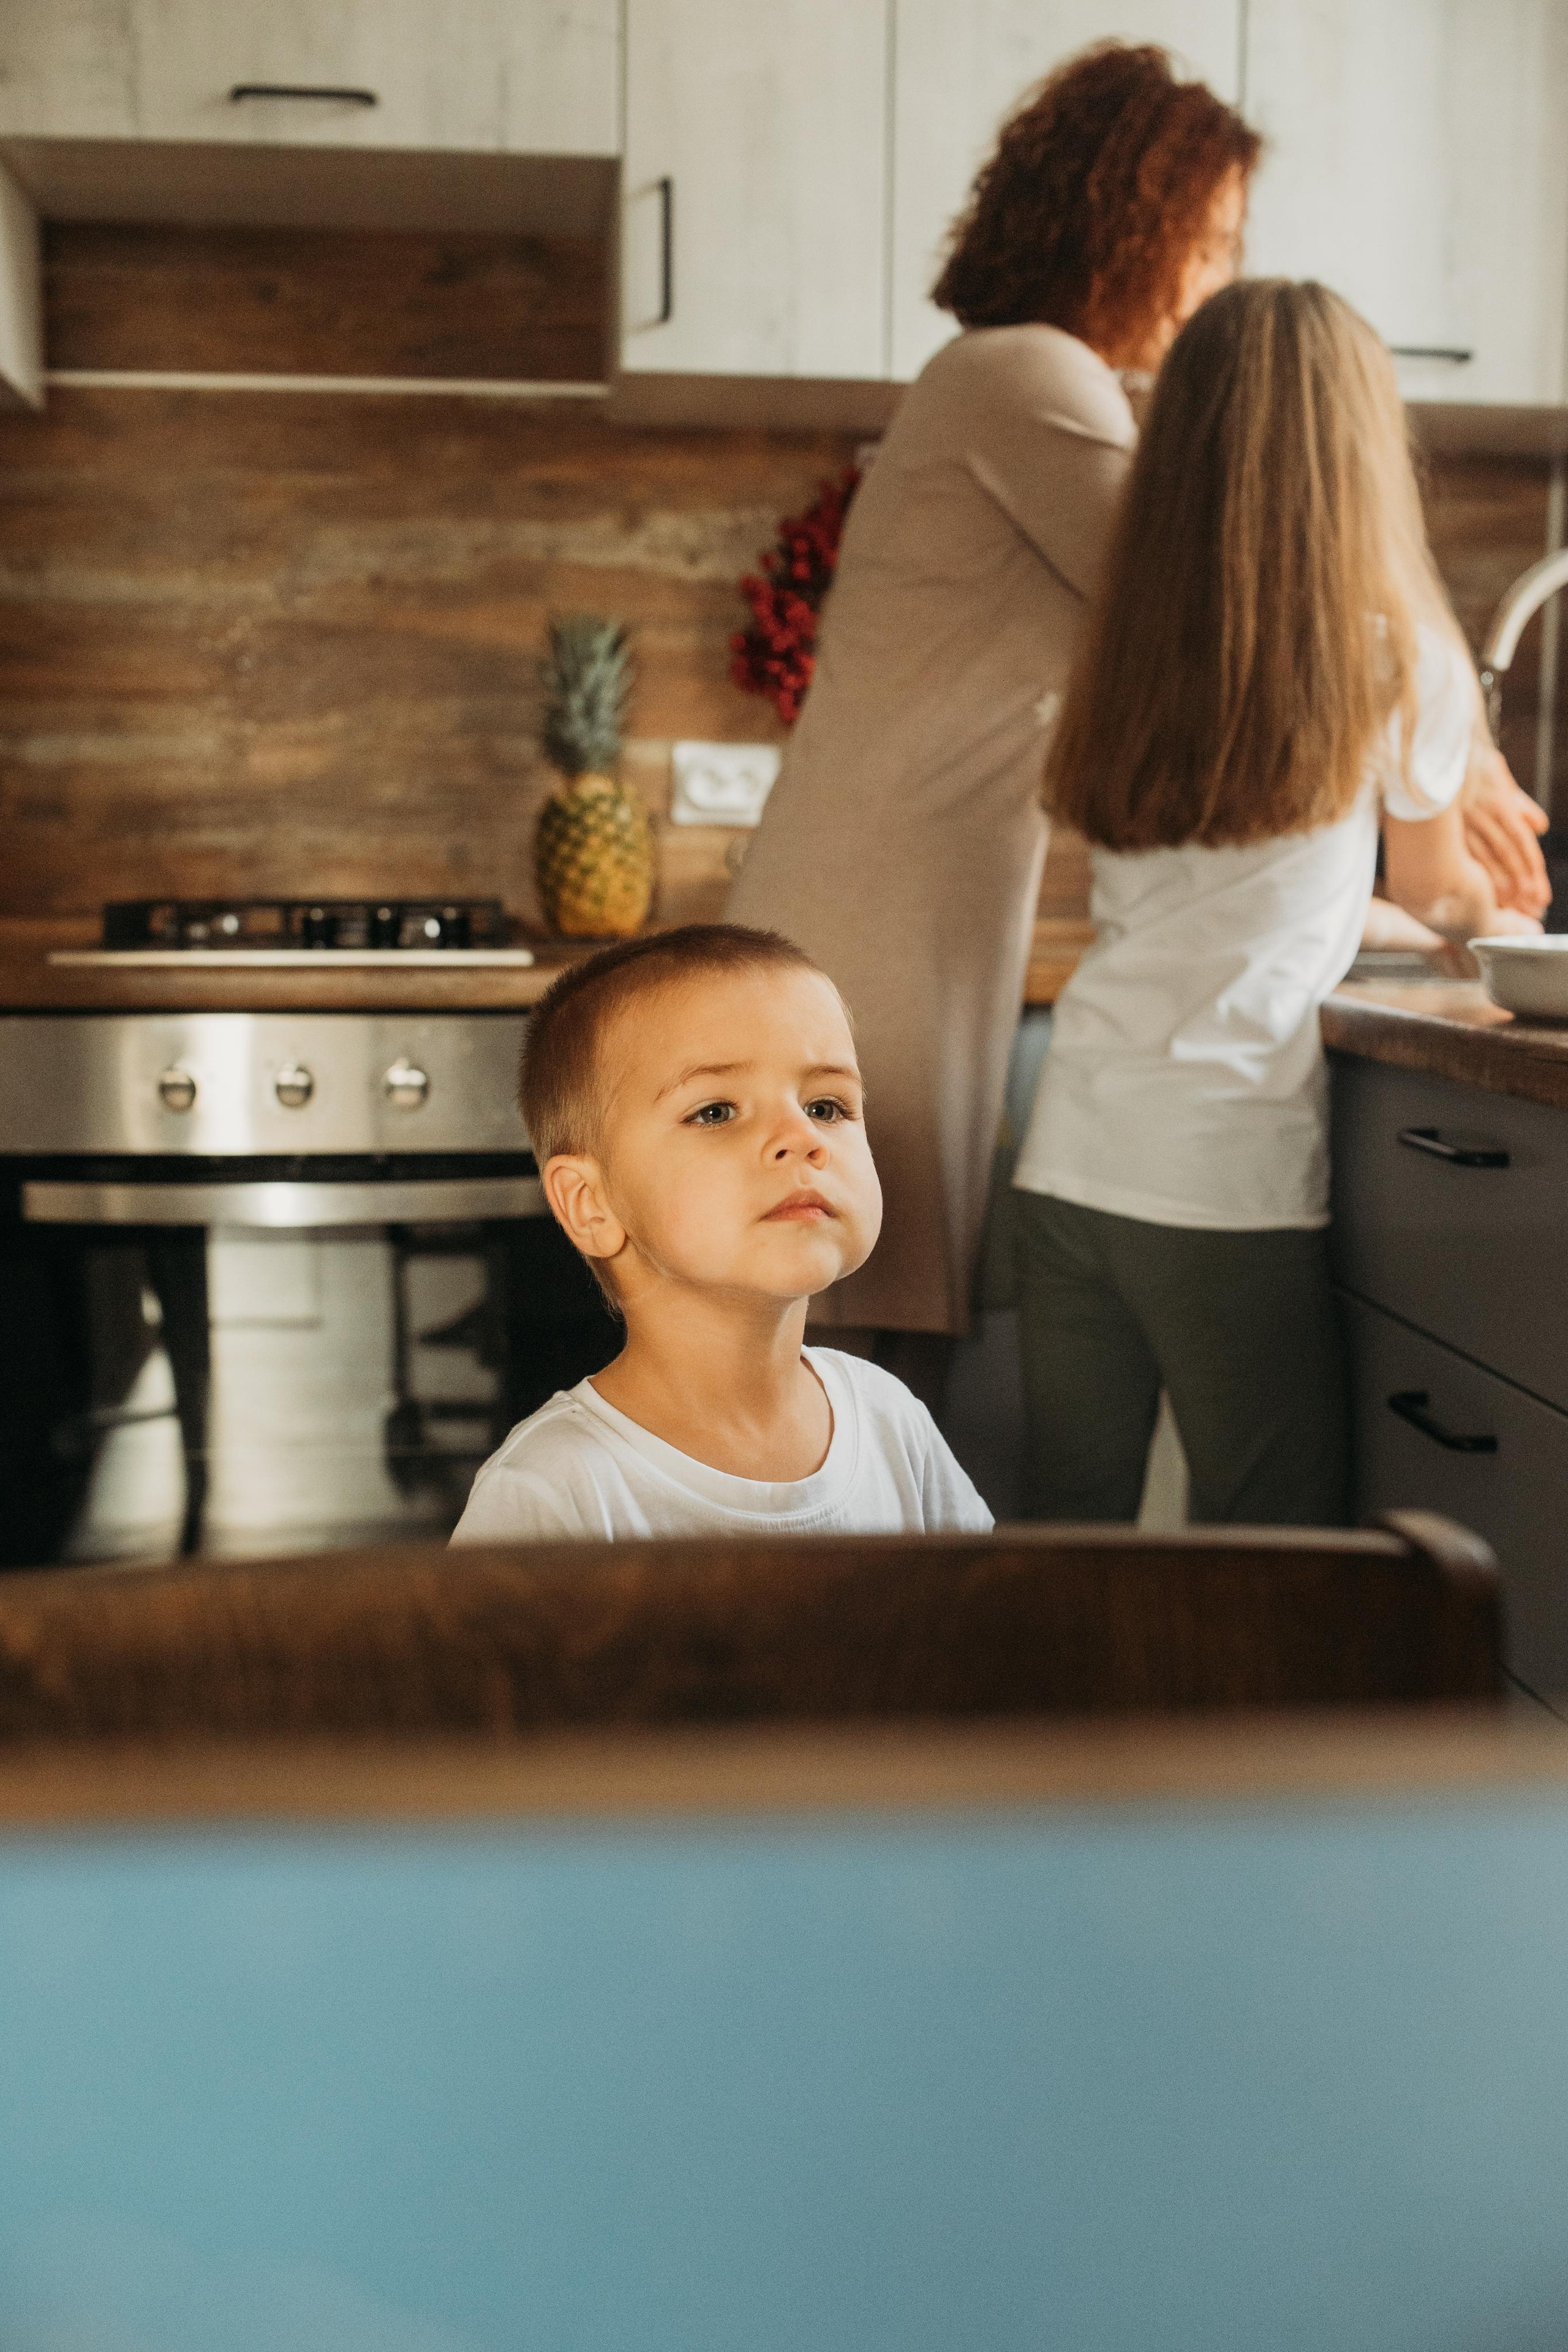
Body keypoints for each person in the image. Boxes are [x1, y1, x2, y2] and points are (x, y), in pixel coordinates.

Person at [727, 42, 1546, 1421]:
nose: (1215, 277)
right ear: (1132, 222)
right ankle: (826, 1628)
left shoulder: (1002, 377)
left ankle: (841, 1625)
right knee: (846, 1352)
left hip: (898, 907)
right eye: (1208, 239)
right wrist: (1452, 739)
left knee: (860, 1354)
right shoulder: (1025, 374)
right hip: (875, 923)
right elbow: (1245, 602)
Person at [1010, 279, 1540, 1530]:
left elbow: (1233, 891)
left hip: (1072, 1155)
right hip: (1223, 1182)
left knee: (1062, 1547)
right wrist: (1492, 907)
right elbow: (1438, 887)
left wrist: (1376, 918)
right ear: (1358, 449)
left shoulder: (1127, 659)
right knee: (1276, 1552)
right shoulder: (1394, 658)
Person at [451, 924, 992, 1543]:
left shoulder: (891, 1420)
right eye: (715, 1112)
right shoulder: (551, 1492)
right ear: (592, 1205)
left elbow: (997, 1631)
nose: (802, 1137)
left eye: (826, 1107)